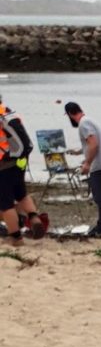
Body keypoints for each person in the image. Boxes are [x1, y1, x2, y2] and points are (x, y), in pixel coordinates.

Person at [65, 102, 101, 236]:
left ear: (70, 114)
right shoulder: (89, 120)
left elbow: (94, 144)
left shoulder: (84, 124)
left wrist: (87, 163)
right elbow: (90, 144)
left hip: (100, 167)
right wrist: (78, 151)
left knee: (100, 198)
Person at [0, 97, 41, 246]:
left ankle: (16, 238)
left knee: (5, 205)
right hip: (19, 161)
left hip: (3, 163)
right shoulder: (8, 111)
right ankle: (34, 218)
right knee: (21, 193)